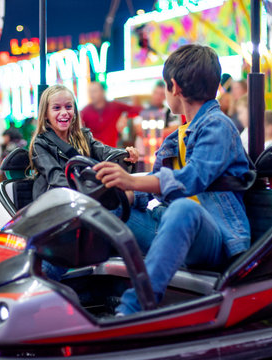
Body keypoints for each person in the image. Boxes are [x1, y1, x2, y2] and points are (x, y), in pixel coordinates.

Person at [94, 44, 251, 315]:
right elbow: (152, 187)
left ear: (174, 87)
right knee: (103, 211)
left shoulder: (218, 127)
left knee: (183, 208)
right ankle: (71, 289)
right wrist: (121, 192)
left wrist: (132, 181)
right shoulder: (174, 138)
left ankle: (133, 308)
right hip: (169, 224)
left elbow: (191, 179)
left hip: (213, 237)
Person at [29, 85, 139, 200]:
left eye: (68, 107)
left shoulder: (83, 136)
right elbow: (56, 177)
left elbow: (104, 151)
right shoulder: (40, 144)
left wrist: (127, 153)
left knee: (136, 194)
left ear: (75, 111)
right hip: (57, 202)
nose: (64, 112)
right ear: (46, 114)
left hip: (83, 196)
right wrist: (88, 192)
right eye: (56, 108)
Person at [80, 82, 142, 147]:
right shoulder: (85, 111)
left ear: (103, 92)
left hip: (112, 151)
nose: (91, 95)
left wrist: (125, 116)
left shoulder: (114, 106)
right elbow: (78, 131)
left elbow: (138, 110)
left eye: (94, 91)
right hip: (93, 152)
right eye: (89, 92)